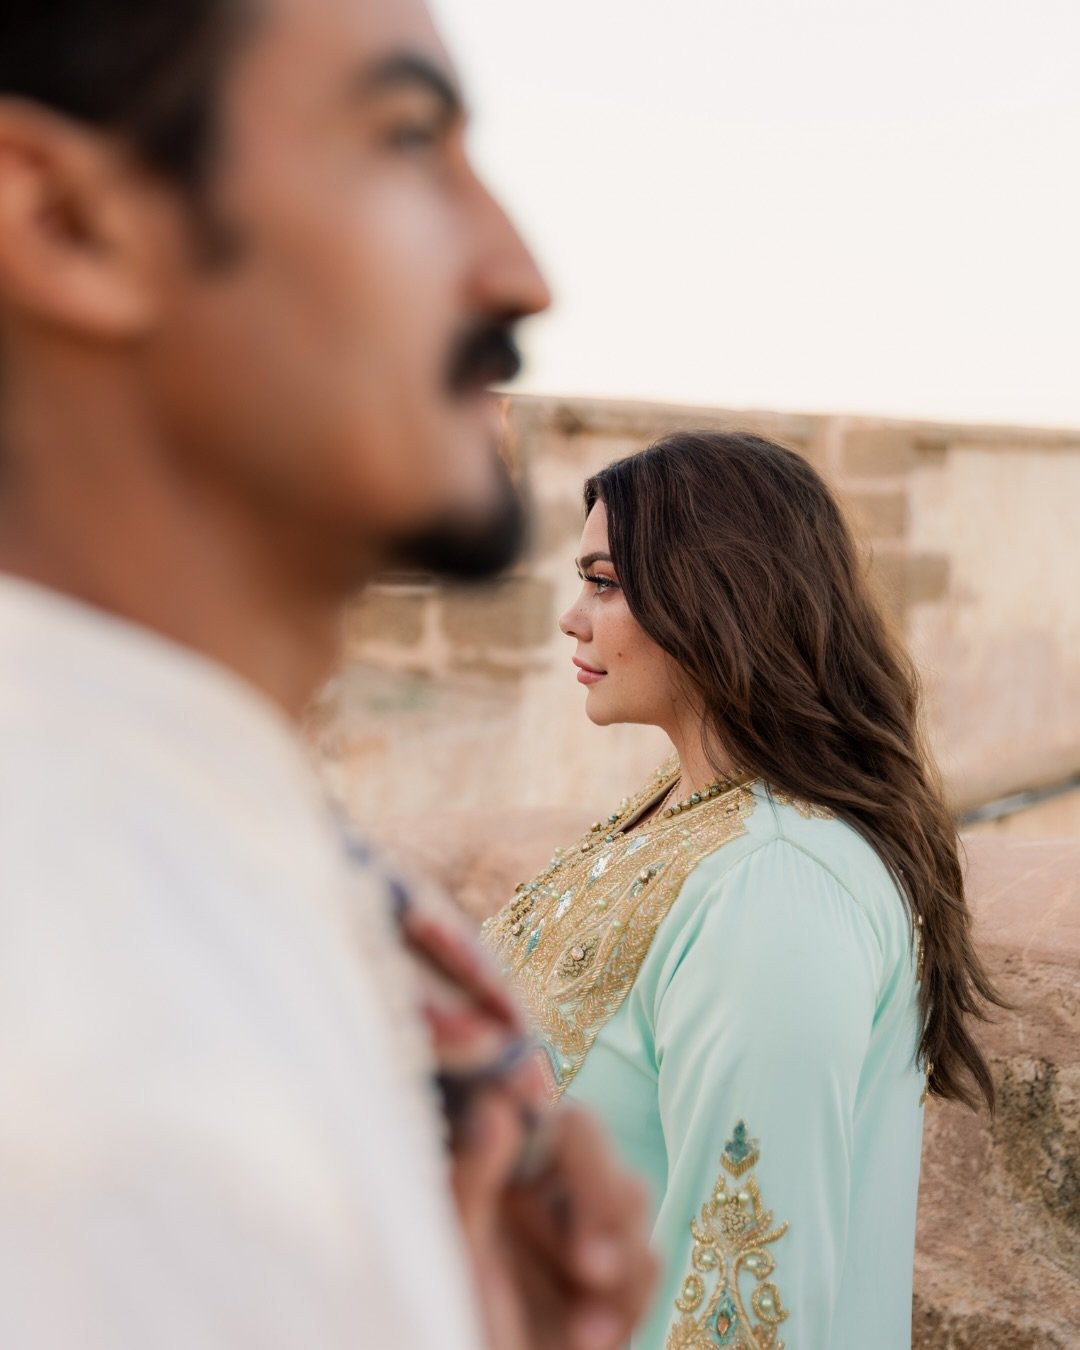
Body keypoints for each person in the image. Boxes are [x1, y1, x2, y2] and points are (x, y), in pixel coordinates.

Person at [0, 1, 655, 1347]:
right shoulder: (81, 1035)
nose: (522, 272)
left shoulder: (196, 848)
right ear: (66, 222)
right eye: (406, 138)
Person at [483, 430, 1003, 1349]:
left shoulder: (779, 890)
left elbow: (742, 1303)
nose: (573, 617)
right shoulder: (684, 812)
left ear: (714, 594)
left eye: (604, 583)